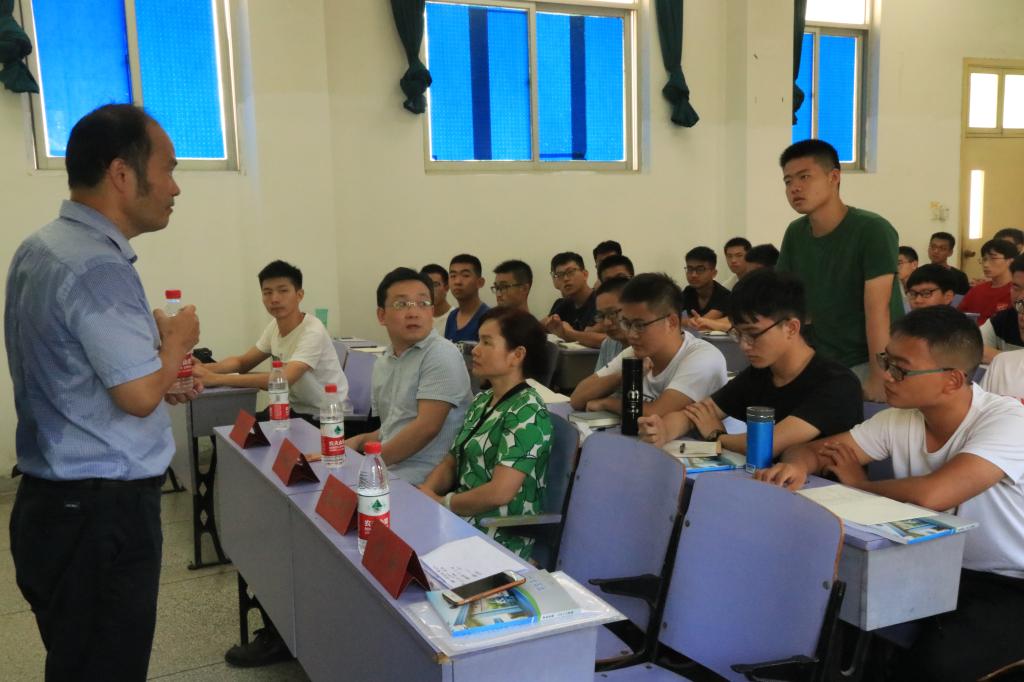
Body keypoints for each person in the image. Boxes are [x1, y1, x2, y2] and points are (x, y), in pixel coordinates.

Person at [5, 104, 201, 680]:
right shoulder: (98, 266)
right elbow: (136, 396)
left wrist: (161, 374)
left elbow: (81, 376)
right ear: (121, 173)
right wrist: (176, 344)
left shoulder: (42, 247)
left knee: (79, 663)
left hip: (56, 506)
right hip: (99, 514)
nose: (175, 187)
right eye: (167, 169)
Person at [756, 306, 1024, 682]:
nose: (886, 375)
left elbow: (934, 494)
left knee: (937, 666)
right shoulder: (898, 419)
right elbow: (815, 450)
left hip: (1006, 580)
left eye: (901, 368)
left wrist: (860, 487)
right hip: (929, 561)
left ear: (951, 380)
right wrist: (798, 466)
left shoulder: (1008, 421)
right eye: (886, 361)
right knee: (831, 619)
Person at [638, 270, 862, 454]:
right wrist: (663, 431)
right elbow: (697, 413)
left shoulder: (836, 383)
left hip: (824, 491)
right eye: (738, 334)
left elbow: (766, 445)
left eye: (753, 334)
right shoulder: (760, 374)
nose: (744, 345)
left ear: (791, 328)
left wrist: (717, 436)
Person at [419, 308, 552, 559]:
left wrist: (442, 502)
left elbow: (500, 492)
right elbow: (452, 460)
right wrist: (427, 492)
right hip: (461, 518)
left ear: (517, 355)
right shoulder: (483, 401)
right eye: (479, 341)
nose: (476, 350)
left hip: (498, 533)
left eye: (487, 342)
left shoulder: (528, 411)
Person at [776, 139, 903, 401]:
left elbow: (877, 310)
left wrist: (879, 376)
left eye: (804, 177)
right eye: (788, 181)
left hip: (866, 360)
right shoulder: (796, 233)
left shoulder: (872, 230)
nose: (795, 188)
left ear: (834, 177)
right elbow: (786, 302)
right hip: (816, 362)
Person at [347, 268, 473, 484]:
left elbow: (426, 428)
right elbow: (392, 427)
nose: (414, 312)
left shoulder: (441, 354)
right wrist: (355, 443)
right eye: (401, 304)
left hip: (426, 476)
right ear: (381, 316)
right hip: (392, 467)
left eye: (423, 303)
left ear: (432, 312)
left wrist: (367, 466)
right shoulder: (384, 361)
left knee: (341, 493)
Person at [193, 260, 347, 424]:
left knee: (247, 432)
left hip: (326, 416)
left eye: (283, 291)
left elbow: (284, 379)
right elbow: (242, 362)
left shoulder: (313, 331)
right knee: (237, 428)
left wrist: (215, 378)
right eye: (267, 292)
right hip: (292, 409)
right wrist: (202, 369)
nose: (274, 299)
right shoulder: (274, 326)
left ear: (299, 295)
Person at [570, 273, 727, 416]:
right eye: (626, 324)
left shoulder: (703, 358)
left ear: (671, 322)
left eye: (640, 325)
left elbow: (657, 413)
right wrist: (625, 375)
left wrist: (607, 403)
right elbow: (577, 398)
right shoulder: (637, 353)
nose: (631, 335)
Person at [543, 252, 605, 347]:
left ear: (585, 274)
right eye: (560, 275)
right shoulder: (563, 304)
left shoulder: (601, 301)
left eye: (570, 272)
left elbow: (607, 341)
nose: (565, 278)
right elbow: (541, 326)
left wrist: (569, 333)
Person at [958, 238, 1016, 325]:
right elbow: (958, 316)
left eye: (993, 258)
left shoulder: (1016, 291)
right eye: (984, 259)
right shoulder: (976, 290)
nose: (986, 265)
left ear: (1010, 261)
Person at [979, 254, 1024, 362]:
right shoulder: (1002, 320)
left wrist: (1003, 359)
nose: (1021, 298)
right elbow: (970, 348)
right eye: (1016, 287)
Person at [444, 254, 490, 343]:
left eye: (465, 275)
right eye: (453, 276)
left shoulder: (488, 318)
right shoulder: (452, 316)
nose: (457, 282)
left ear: (480, 282)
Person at [681, 246, 731, 326]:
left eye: (700, 269)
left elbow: (701, 324)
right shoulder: (688, 291)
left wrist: (687, 321)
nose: (693, 275)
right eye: (690, 269)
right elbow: (674, 317)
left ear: (714, 273)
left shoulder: (724, 295)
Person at [592, 276, 630, 370]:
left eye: (612, 313)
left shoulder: (651, 347)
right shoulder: (608, 343)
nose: (606, 323)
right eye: (601, 316)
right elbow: (599, 378)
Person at [927, 231, 970, 295]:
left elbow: (962, 299)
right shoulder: (920, 273)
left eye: (942, 248)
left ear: (950, 252)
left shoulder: (959, 277)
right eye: (933, 247)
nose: (936, 251)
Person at [420, 263, 452, 335]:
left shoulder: (456, 318)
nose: (430, 289)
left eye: (435, 285)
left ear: (446, 287)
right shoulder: (417, 318)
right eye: (426, 285)